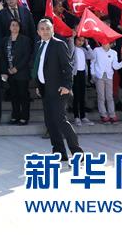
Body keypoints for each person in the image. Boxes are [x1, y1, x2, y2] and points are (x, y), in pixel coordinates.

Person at [33, 18, 83, 162]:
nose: (45, 31)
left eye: (47, 28)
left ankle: (77, 152)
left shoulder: (59, 44)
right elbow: (39, 67)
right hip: (45, 89)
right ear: (38, 32)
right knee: (50, 122)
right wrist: (38, 85)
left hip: (59, 90)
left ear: (52, 30)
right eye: (42, 29)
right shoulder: (38, 45)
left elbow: (67, 67)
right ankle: (59, 152)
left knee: (61, 120)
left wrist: (67, 86)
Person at [0, 18, 32, 124]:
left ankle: (24, 117)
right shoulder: (5, 40)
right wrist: (6, 70)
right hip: (10, 73)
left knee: (23, 95)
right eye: (12, 25)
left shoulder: (25, 40)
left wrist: (16, 68)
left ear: (19, 27)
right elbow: (3, 57)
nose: (14, 27)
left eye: (17, 25)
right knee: (14, 96)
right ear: (9, 27)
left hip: (22, 72)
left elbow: (26, 56)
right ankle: (15, 115)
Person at [90, 39, 122, 123]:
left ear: (111, 44)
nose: (104, 43)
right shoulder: (96, 50)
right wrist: (93, 74)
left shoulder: (114, 53)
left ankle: (112, 114)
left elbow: (115, 66)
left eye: (107, 42)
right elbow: (92, 62)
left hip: (109, 76)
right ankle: (103, 115)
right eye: (103, 42)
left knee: (109, 96)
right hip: (99, 76)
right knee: (101, 96)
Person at [71, 33, 95, 126]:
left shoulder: (84, 50)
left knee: (82, 95)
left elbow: (92, 56)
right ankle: (76, 117)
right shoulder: (73, 49)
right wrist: (72, 38)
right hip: (75, 74)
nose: (80, 42)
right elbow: (70, 49)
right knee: (76, 96)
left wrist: (88, 45)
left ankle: (83, 116)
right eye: (79, 40)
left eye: (82, 41)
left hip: (82, 74)